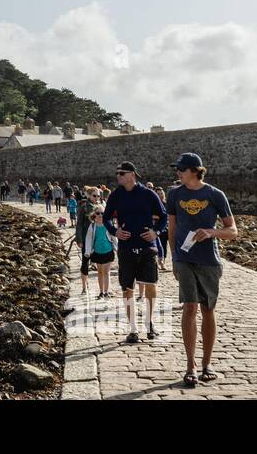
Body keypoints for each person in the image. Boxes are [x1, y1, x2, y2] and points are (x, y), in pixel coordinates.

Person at [166, 152, 238, 387]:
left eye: (181, 169)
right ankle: (190, 366)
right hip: (184, 260)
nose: (177, 172)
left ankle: (207, 363)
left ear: (195, 171)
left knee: (208, 309)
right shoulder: (174, 194)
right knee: (189, 307)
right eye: (177, 168)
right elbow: (172, 228)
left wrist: (211, 232)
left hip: (208, 260)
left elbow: (233, 231)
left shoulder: (215, 195)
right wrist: (174, 258)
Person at [103, 161, 167, 343]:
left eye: (121, 173)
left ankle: (149, 323)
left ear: (132, 174)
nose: (118, 176)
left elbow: (163, 217)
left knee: (150, 285)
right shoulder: (116, 195)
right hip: (126, 248)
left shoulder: (148, 194)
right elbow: (107, 218)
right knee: (127, 288)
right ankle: (133, 329)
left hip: (148, 247)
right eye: (117, 172)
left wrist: (156, 231)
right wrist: (115, 231)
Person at [85, 204, 116, 298]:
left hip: (108, 251)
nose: (100, 215)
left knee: (106, 272)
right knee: (100, 272)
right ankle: (101, 292)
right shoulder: (92, 226)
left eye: (102, 213)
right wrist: (87, 251)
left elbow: (114, 237)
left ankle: (106, 292)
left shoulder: (108, 224)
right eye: (98, 213)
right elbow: (89, 239)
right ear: (94, 214)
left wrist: (117, 248)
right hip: (97, 252)